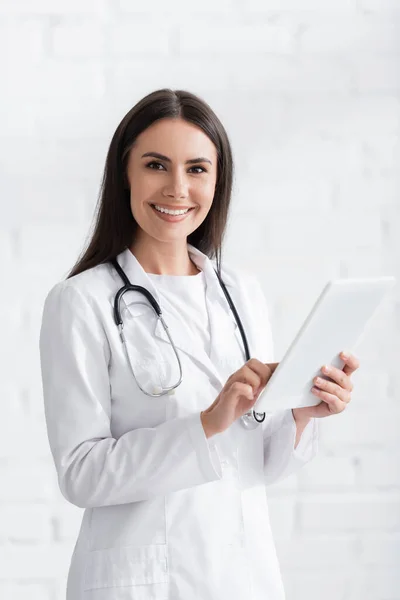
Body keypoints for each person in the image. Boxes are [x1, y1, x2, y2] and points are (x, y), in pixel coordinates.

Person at [39, 88, 360, 600]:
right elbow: (81, 474)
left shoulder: (241, 292)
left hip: (243, 576)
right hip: (144, 582)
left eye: (196, 169)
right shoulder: (81, 301)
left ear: (217, 180)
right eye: (156, 165)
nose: (176, 189)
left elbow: (255, 464)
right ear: (125, 173)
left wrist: (301, 414)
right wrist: (207, 423)